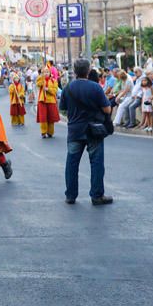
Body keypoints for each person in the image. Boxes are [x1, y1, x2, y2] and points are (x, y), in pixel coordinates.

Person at [59, 59, 113, 205]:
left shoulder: (68, 87)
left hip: (74, 130)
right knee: (96, 163)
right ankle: (97, 195)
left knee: (72, 163)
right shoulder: (95, 87)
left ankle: (70, 195)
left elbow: (62, 108)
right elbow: (107, 109)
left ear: (75, 71)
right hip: (93, 130)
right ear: (88, 71)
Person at [36, 68, 59, 138]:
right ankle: (43, 132)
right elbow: (38, 84)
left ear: (50, 73)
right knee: (43, 118)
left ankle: (50, 132)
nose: (46, 73)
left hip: (51, 101)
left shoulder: (53, 81)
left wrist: (48, 89)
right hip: (42, 101)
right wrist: (41, 76)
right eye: (44, 72)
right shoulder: (41, 80)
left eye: (47, 72)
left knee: (51, 118)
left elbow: (55, 91)